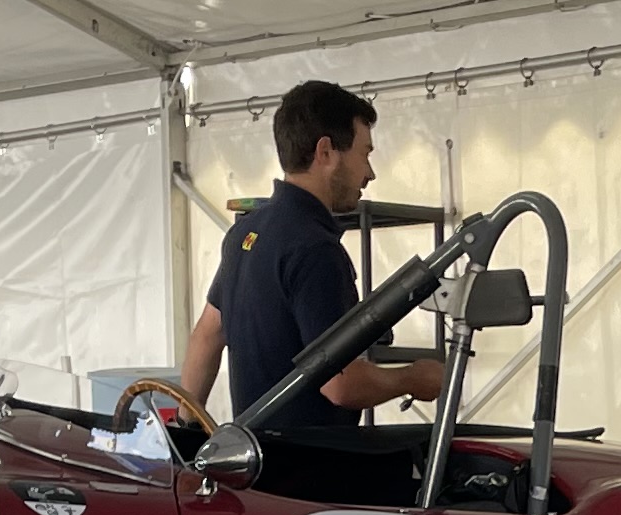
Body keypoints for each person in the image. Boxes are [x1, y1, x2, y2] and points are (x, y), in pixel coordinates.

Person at [175, 80, 448, 432]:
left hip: (254, 455)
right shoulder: (316, 249)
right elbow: (340, 384)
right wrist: (412, 378)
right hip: (315, 460)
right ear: (326, 152)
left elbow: (207, 336)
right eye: (364, 154)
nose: (370, 173)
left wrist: (185, 430)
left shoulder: (244, 233)